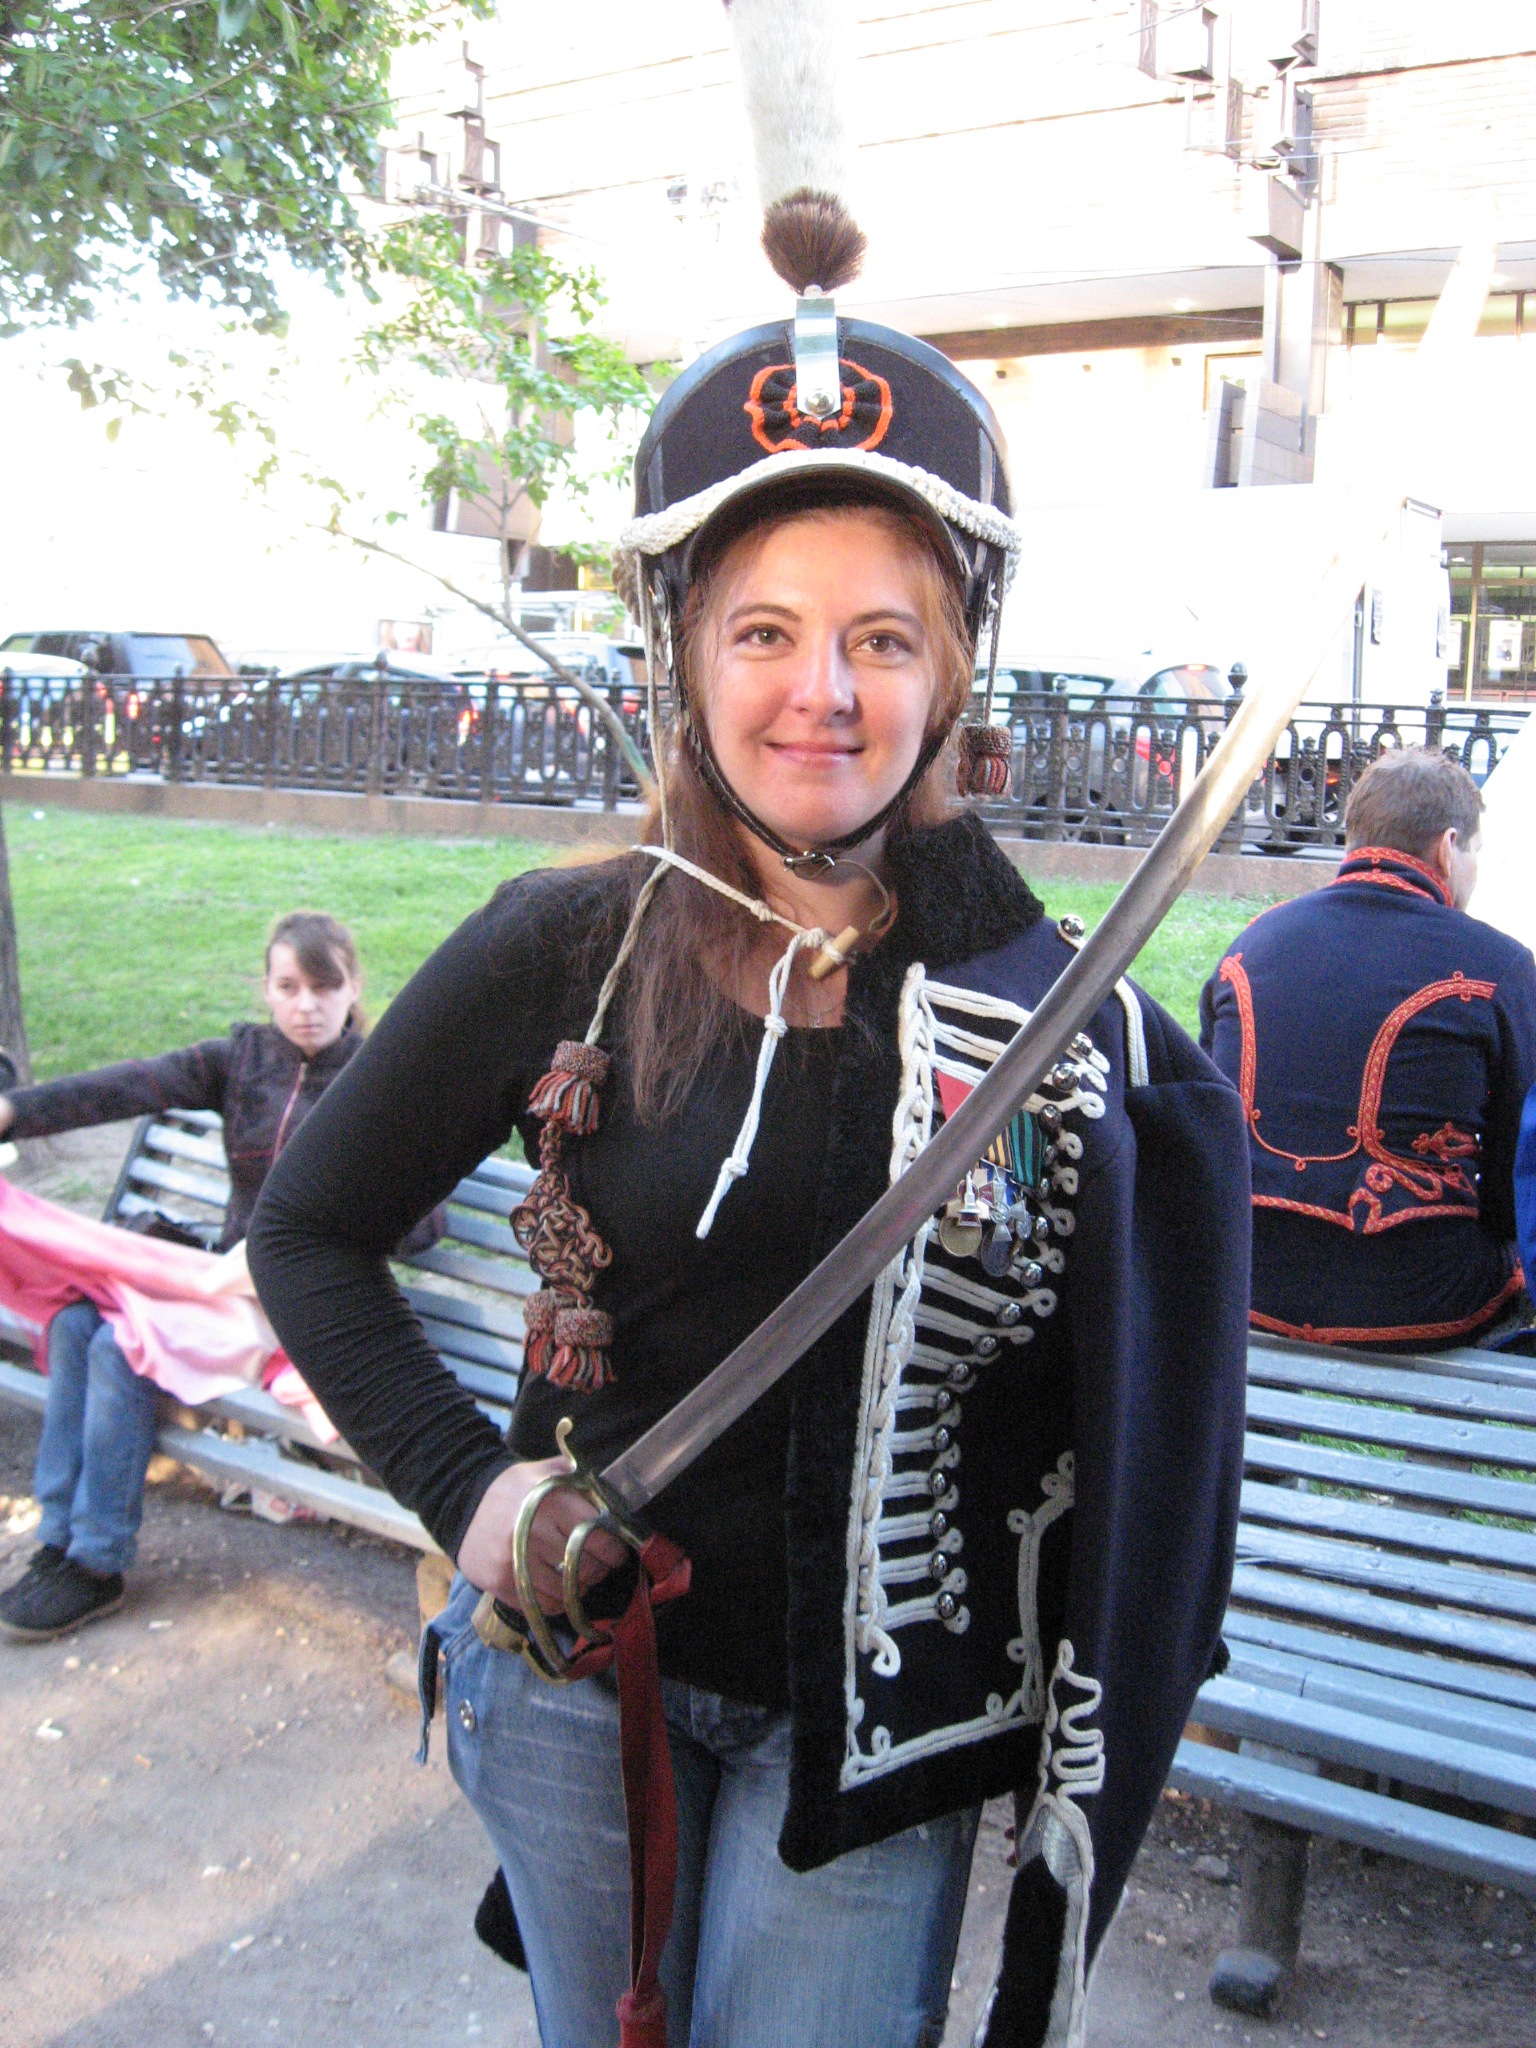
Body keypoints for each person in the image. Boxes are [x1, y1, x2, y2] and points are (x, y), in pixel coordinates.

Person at [247, 54, 1250, 2046]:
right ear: (686, 659)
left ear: (952, 672)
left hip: (866, 1743)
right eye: (767, 631)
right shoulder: (569, 940)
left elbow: (1151, 1377)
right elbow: (311, 1230)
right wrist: (469, 1494)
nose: (823, 691)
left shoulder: (1062, 1019)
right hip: (569, 1666)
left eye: (884, 637)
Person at [0, 912, 377, 1640]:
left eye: (325, 986)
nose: (306, 1005)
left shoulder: (377, 1081)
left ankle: (97, 1562)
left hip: (299, 1304)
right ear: (266, 990)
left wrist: (345, 1214)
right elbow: (126, 1086)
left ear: (353, 987)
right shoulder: (244, 1060)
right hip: (219, 1284)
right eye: (289, 986)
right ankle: (57, 1539)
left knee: (120, 1345)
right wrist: (14, 1110)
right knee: (77, 1324)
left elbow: (423, 1223)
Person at [1200, 747, 1536, 1350]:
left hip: (1244, 1279)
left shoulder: (1252, 943)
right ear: (1448, 847)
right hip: (1420, 1295)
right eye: (1476, 852)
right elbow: (1517, 1174)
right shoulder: (1501, 966)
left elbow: (1209, 1118)